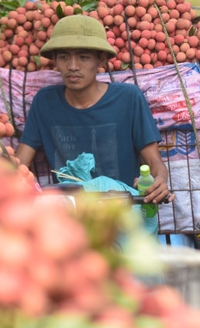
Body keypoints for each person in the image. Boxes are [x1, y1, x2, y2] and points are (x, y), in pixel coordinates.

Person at [15, 15, 171, 203]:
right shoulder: (45, 102)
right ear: (55, 60)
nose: (73, 66)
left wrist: (159, 181)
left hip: (124, 211)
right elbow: (20, 164)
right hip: (71, 213)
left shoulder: (129, 99)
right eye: (64, 57)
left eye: (83, 57)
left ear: (101, 60)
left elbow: (155, 162)